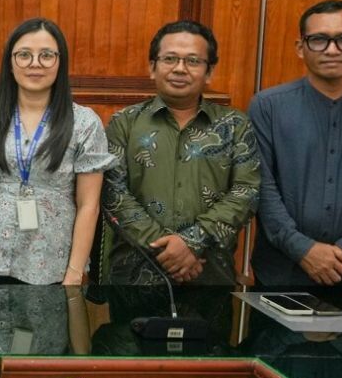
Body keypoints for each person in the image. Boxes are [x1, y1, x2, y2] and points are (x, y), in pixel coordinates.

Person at [99, 20, 260, 286]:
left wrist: (192, 242)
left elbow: (247, 191)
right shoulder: (124, 123)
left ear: (209, 72)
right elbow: (113, 191)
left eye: (193, 61)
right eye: (170, 58)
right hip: (134, 274)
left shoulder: (235, 125)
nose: (180, 69)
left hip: (210, 273)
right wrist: (168, 250)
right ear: (152, 67)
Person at [0, 18, 113, 285]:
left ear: (60, 62)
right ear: (10, 62)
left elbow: (89, 205)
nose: (35, 63)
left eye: (46, 55)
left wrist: (75, 273)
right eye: (24, 55)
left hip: (52, 263)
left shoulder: (85, 122)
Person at [250, 0, 342, 296]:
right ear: (301, 47)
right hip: (280, 274)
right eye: (319, 39)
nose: (332, 50)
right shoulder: (268, 106)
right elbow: (262, 190)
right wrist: (304, 250)